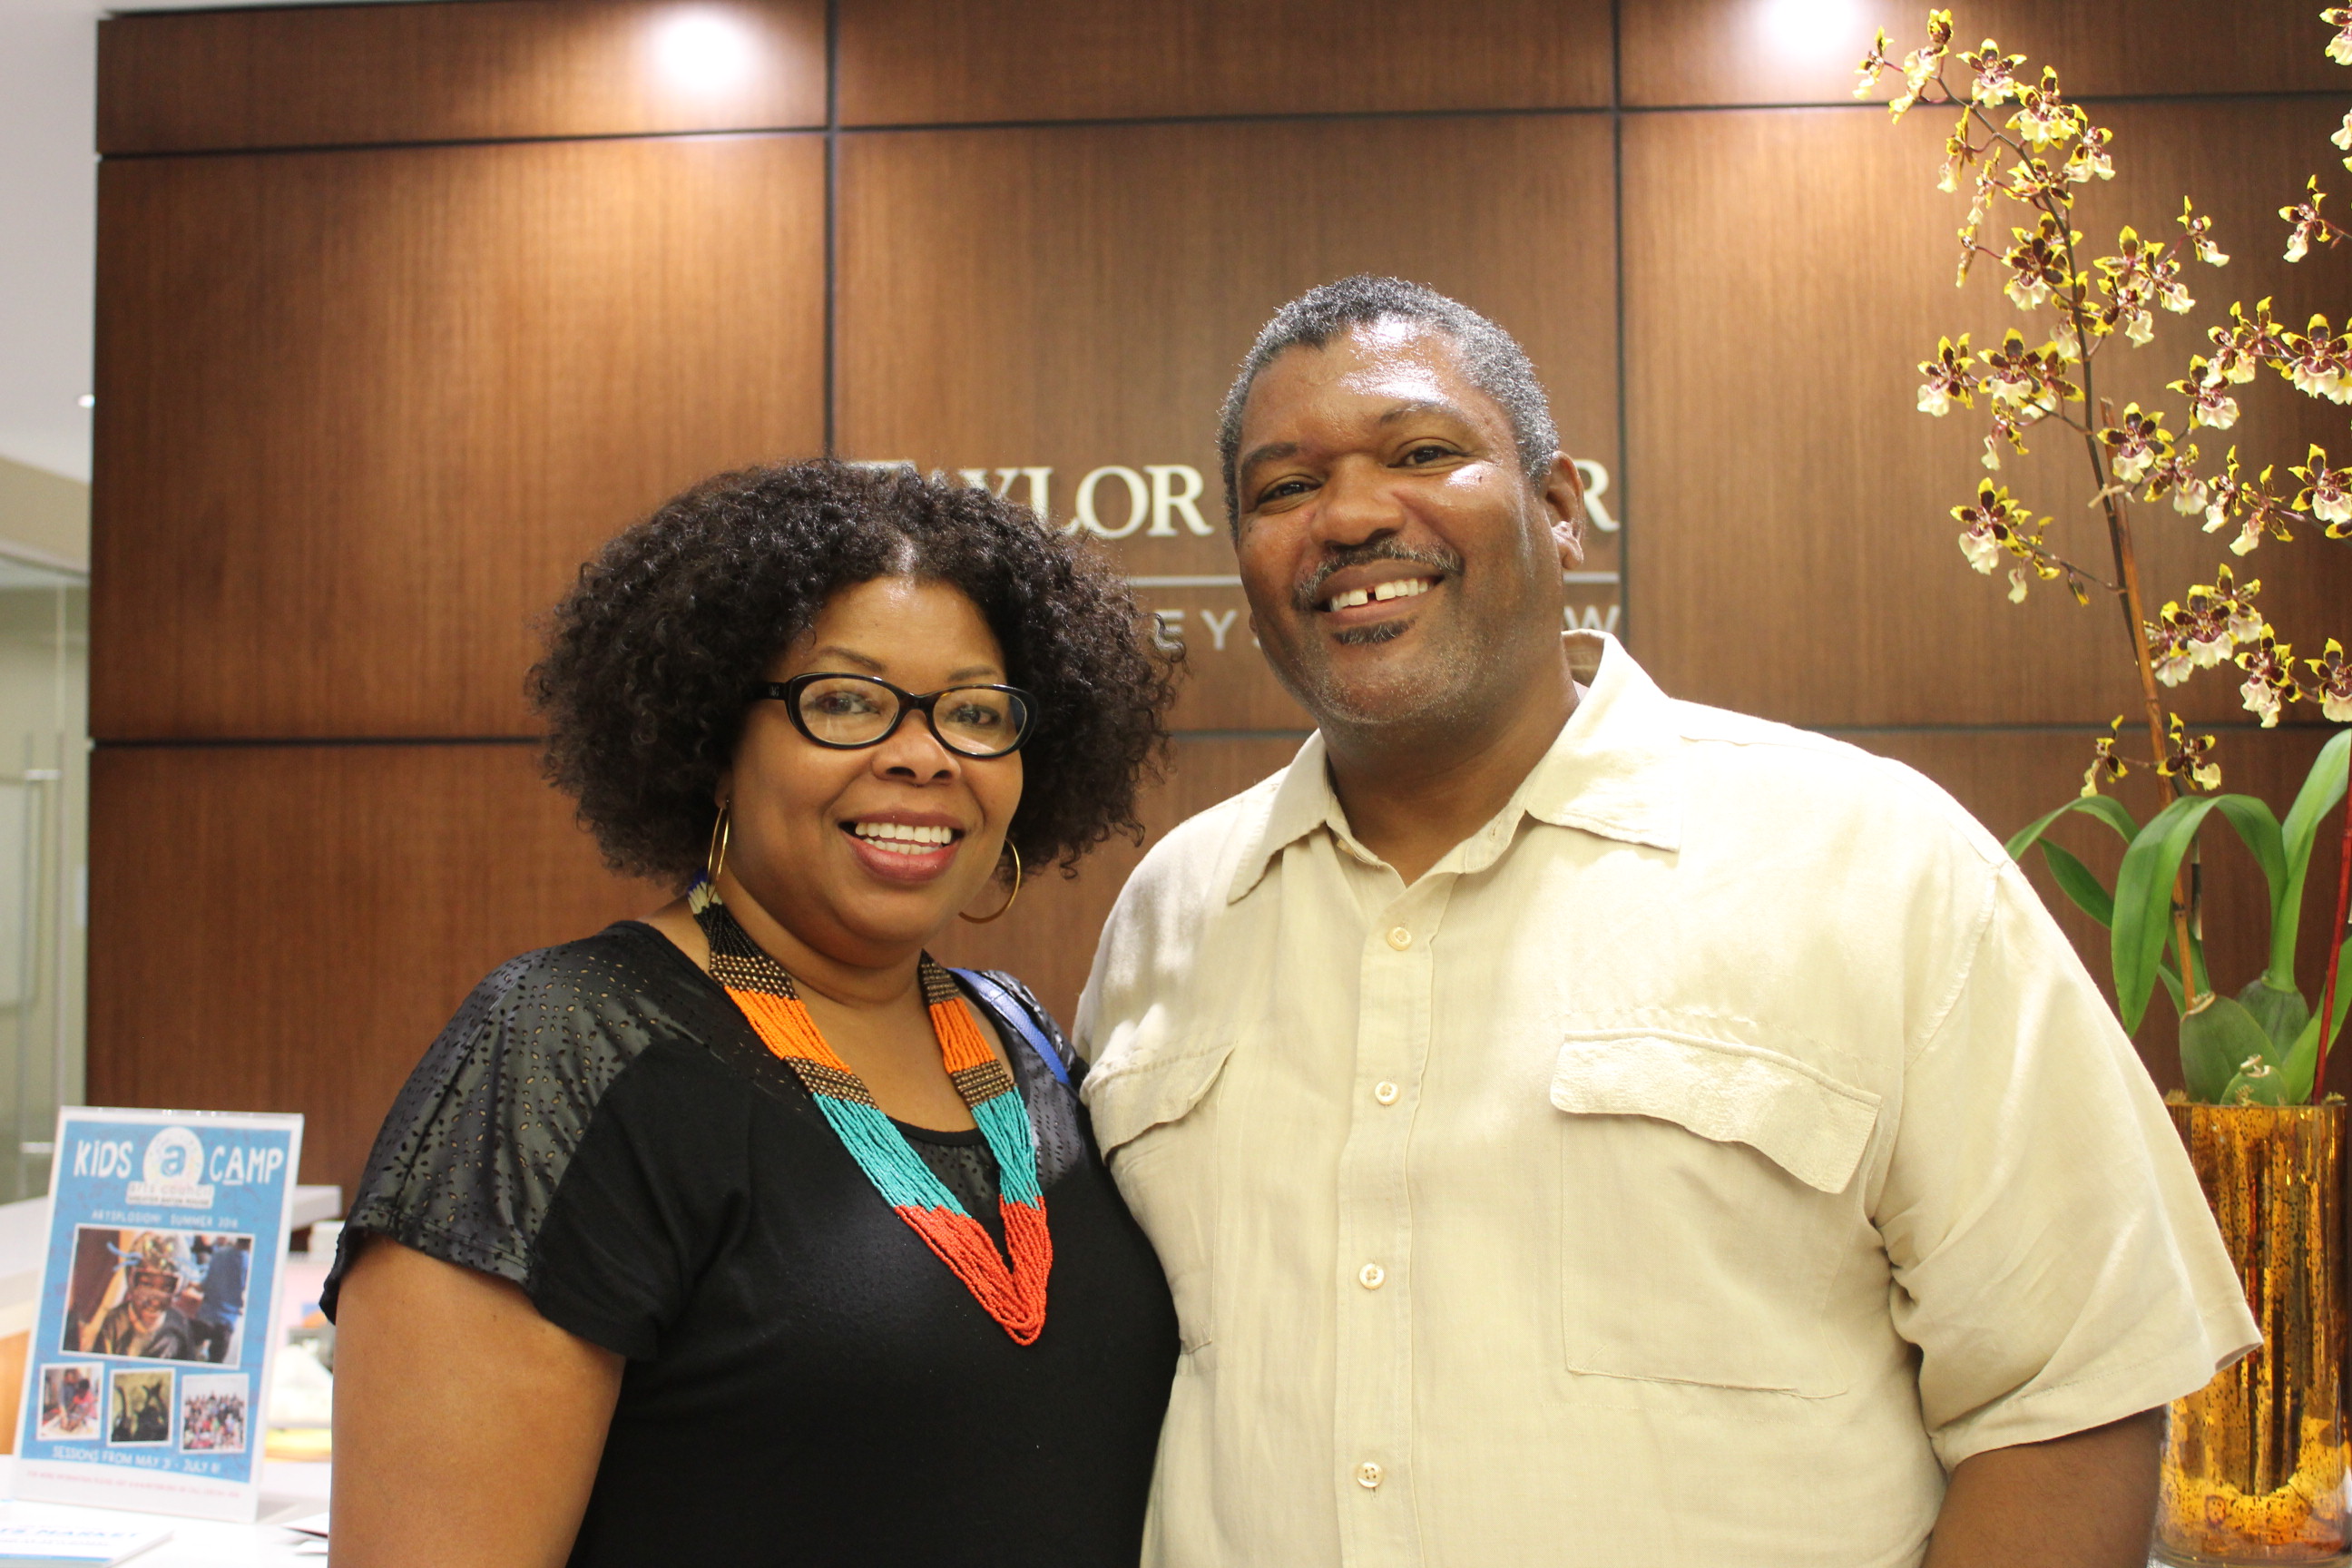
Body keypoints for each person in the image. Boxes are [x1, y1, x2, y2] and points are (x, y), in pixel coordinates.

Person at [1073, 276, 2260, 1568]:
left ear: (1560, 505)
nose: (1351, 515)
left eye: (1420, 453)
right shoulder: (1171, 917)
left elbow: (2066, 1401)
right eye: (1286, 487)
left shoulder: (1871, 858)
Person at [326, 462, 1181, 1567]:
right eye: (846, 702)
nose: (923, 755)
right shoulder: (563, 1054)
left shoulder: (1017, 1035)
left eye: (975, 713)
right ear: (716, 747)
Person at [80, 1233, 201, 1362]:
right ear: (132, 1280)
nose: (154, 1300)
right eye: (146, 1284)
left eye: (166, 1287)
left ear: (179, 1287)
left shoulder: (180, 1324)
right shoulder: (115, 1322)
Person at [190, 1235, 248, 1364]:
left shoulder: (220, 1253)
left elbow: (204, 1286)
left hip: (204, 1317)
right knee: (215, 1366)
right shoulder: (248, 1261)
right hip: (225, 1324)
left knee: (189, 1358)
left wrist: (191, 1284)